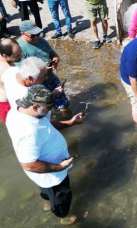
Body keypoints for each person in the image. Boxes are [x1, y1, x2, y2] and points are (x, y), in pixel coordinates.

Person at [5, 85, 77, 225]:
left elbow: (46, 124)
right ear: (35, 107)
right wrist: (60, 166)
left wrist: (69, 123)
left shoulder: (17, 110)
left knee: (46, 190)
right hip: (52, 175)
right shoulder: (29, 132)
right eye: (48, 108)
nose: (50, 111)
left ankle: (46, 203)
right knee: (62, 197)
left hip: (42, 176)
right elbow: (29, 165)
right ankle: (63, 217)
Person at [1, 57, 83, 128]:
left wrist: (53, 94)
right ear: (30, 78)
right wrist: (71, 122)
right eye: (43, 76)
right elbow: (46, 125)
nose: (45, 78)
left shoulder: (11, 72)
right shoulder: (30, 97)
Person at [17, 20, 69, 112]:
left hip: (50, 76)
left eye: (37, 34)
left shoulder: (41, 40)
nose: (36, 37)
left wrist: (55, 57)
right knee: (45, 108)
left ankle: (64, 112)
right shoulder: (19, 48)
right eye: (33, 35)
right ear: (23, 34)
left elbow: (52, 53)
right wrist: (42, 69)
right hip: (38, 83)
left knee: (63, 104)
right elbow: (21, 72)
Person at [0, 38, 21, 124]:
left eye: (20, 52)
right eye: (16, 56)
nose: (20, 56)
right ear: (5, 55)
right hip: (8, 105)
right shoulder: (7, 70)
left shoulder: (3, 56)